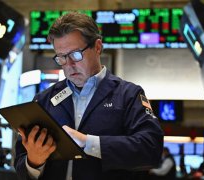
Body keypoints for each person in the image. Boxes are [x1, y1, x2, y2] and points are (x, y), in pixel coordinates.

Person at [15, 11, 164, 180]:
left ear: (98, 47)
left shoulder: (128, 95)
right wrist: (34, 162)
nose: (69, 64)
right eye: (62, 57)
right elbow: (21, 165)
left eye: (75, 54)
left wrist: (88, 143)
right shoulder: (43, 100)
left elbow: (151, 149)